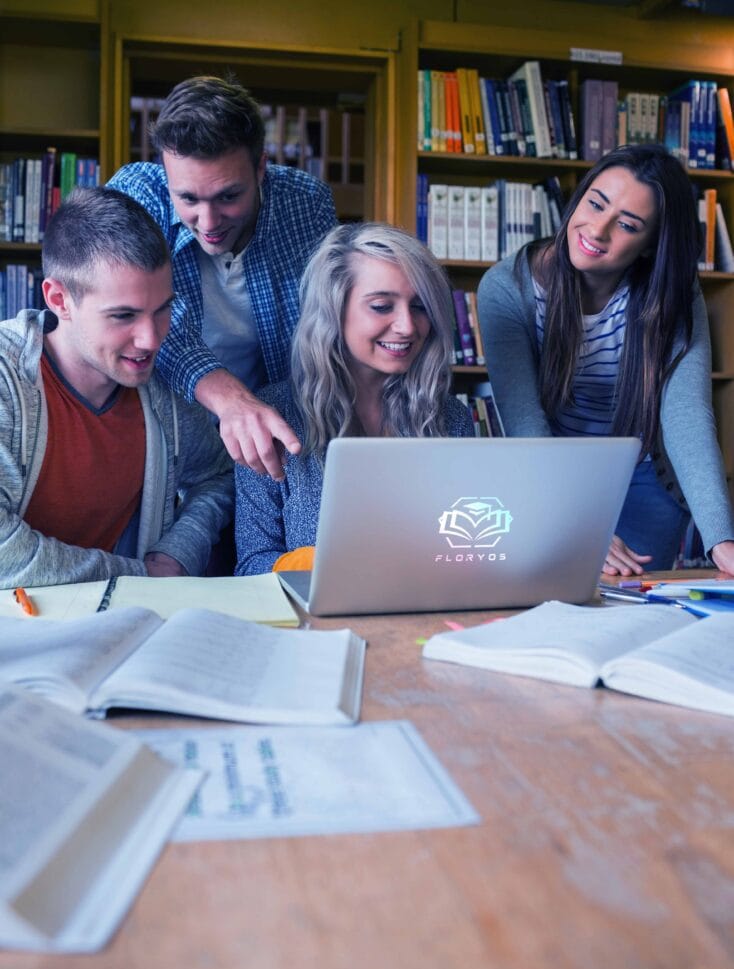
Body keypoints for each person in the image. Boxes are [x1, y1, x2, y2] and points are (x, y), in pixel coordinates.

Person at [477, 143, 734, 576]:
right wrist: (575, 522)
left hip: (641, 482)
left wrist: (722, 539)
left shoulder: (670, 292)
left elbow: (686, 412)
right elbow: (525, 422)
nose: (597, 230)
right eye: (595, 204)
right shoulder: (507, 288)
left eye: (628, 225)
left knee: (634, 618)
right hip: (549, 480)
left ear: (651, 245)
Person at [0, 186, 233, 589]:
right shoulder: (7, 379)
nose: (151, 339)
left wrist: (177, 553)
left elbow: (219, 475)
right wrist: (143, 576)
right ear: (59, 299)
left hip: (118, 623)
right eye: (123, 316)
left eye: (162, 310)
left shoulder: (161, 389)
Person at [107, 74, 338, 479]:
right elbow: (135, 317)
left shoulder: (306, 204)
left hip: (277, 440)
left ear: (261, 167)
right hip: (164, 443)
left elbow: (326, 323)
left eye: (229, 196)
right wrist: (228, 397)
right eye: (189, 199)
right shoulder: (136, 195)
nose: (209, 222)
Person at [233, 222, 475, 576]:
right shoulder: (272, 417)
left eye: (420, 307)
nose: (407, 326)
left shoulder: (450, 417)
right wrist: (335, 565)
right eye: (381, 306)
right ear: (334, 310)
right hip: (313, 626)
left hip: (425, 623)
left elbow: (469, 554)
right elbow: (252, 565)